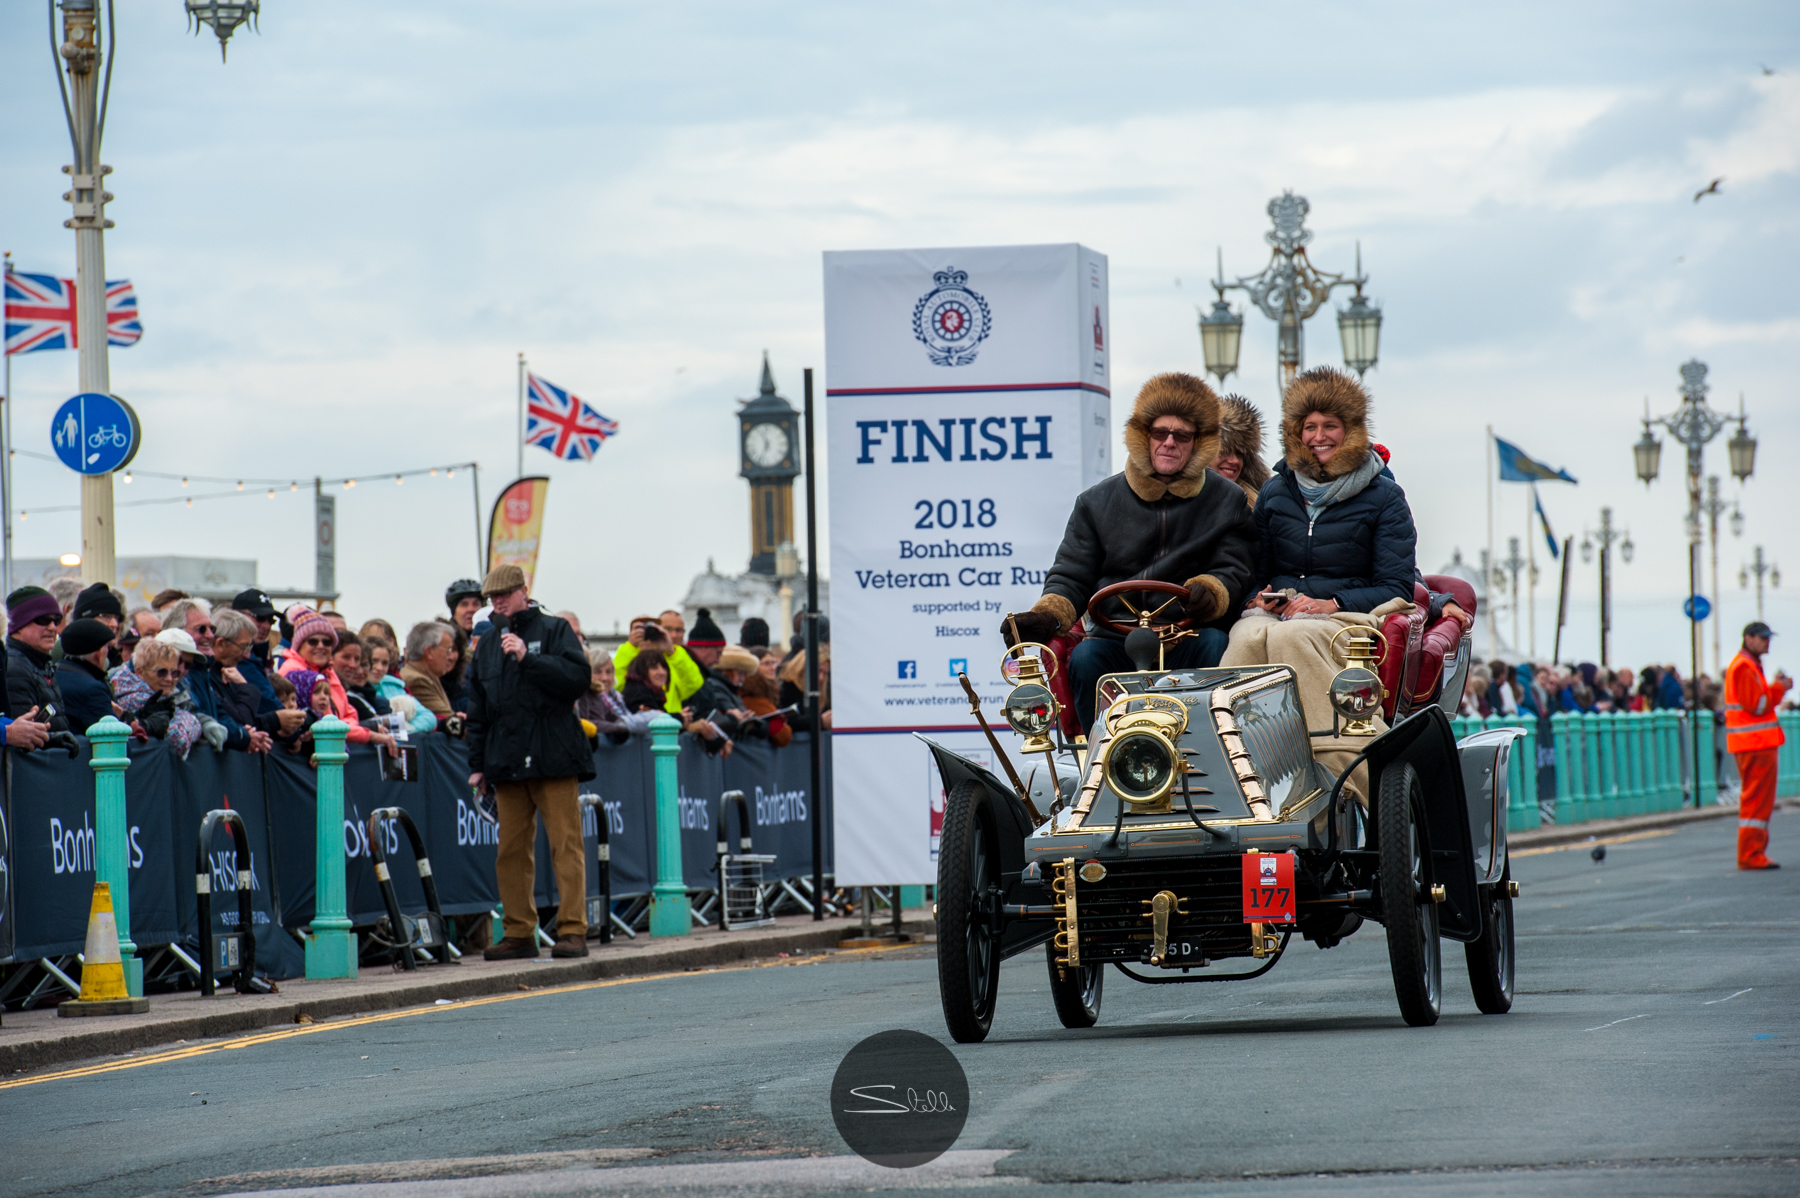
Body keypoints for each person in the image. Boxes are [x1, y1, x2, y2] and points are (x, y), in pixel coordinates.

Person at [1004, 373, 1258, 732]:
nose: (1169, 442)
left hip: (1189, 635)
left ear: (1198, 443)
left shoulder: (1227, 500)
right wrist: (1046, 617)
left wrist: (1212, 591)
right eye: (1160, 433)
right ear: (1144, 436)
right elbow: (1071, 575)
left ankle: (1214, 749)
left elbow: (1235, 568)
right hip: (1115, 639)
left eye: (1181, 435)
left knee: (1216, 643)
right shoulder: (1095, 503)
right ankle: (1101, 758)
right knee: (1086, 657)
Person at [1220, 367, 1417, 802]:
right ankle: (1232, 761)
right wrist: (1259, 596)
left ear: (1350, 431)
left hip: (1347, 615)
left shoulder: (1384, 496)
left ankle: (1334, 762)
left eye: (1331, 426)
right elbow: (1257, 567)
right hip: (1284, 611)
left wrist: (1331, 602)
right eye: (1310, 426)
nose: (1319, 436)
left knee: (1298, 636)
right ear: (1296, 432)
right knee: (1247, 635)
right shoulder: (1275, 493)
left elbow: (1397, 584)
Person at [464, 565, 594, 961]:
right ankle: (519, 932)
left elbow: (577, 680)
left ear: (524, 590)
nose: (497, 602)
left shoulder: (555, 630)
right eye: (492, 598)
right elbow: (478, 709)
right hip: (506, 760)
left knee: (565, 846)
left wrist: (528, 659)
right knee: (511, 851)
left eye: (504, 594)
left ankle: (572, 931)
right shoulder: (486, 645)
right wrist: (478, 763)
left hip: (554, 755)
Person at [278, 608, 397, 754]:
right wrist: (368, 735)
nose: (320, 646)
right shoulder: (294, 672)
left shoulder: (328, 670)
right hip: (309, 755)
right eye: (313, 641)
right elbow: (326, 723)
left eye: (327, 642)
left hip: (333, 747)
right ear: (299, 644)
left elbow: (349, 714)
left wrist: (354, 730)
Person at [1725, 622, 1790, 870]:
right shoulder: (1744, 666)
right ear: (1748, 639)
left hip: (1754, 743)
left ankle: (1753, 852)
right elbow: (1759, 705)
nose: (1767, 642)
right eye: (1762, 638)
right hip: (1755, 744)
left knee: (1758, 800)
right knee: (1756, 801)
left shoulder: (1748, 665)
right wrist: (1779, 688)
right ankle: (1751, 854)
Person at [113, 637, 205, 756]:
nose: (169, 679)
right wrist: (188, 720)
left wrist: (189, 721)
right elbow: (179, 740)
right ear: (140, 672)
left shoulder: (156, 694)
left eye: (174, 673)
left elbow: (195, 724)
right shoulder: (133, 698)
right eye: (161, 672)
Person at [6, 587, 72, 733]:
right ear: (18, 626)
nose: (53, 627)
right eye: (43, 620)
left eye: (56, 620)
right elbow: (24, 742)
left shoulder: (40, 664)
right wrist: (59, 741)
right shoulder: (15, 668)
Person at [612, 613, 704, 715]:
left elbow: (694, 683)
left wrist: (671, 651)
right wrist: (630, 648)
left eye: (651, 629)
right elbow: (614, 686)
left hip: (671, 726)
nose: (646, 634)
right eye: (640, 629)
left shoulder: (667, 663)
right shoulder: (626, 657)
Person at [56, 618, 119, 733]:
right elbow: (115, 739)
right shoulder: (93, 690)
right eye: (106, 648)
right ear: (99, 653)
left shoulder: (51, 676)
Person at [577, 649, 654, 743]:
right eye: (598, 672)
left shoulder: (616, 697)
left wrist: (620, 726)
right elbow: (584, 722)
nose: (604, 678)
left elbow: (615, 718)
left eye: (608, 672)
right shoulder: (582, 694)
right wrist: (618, 728)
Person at [1214, 393, 1272, 507]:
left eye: (1239, 453)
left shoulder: (1258, 506)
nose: (1234, 461)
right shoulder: (1179, 501)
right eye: (1224, 450)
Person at [400, 621, 459, 725]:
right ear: (429, 652)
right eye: (447, 650)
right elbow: (450, 721)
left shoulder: (427, 674)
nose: (450, 656)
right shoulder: (417, 681)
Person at [623, 649, 671, 714]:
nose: (662, 672)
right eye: (654, 667)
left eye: (664, 667)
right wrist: (680, 717)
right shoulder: (638, 694)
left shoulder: (652, 693)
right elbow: (651, 719)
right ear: (641, 671)